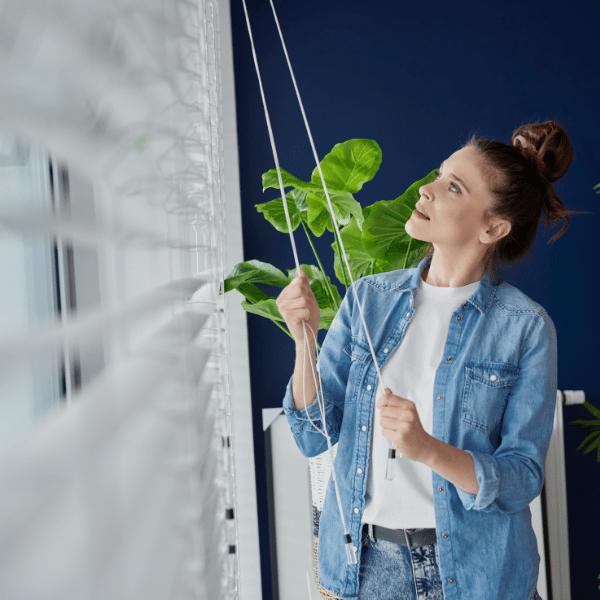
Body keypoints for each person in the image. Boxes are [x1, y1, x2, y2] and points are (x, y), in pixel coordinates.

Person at [276, 121, 588, 600]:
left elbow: (521, 476)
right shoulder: (369, 299)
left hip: (480, 575)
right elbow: (311, 434)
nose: (427, 189)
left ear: (493, 227)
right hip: (367, 569)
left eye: (452, 187)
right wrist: (303, 341)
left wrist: (428, 449)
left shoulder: (525, 327)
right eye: (440, 176)